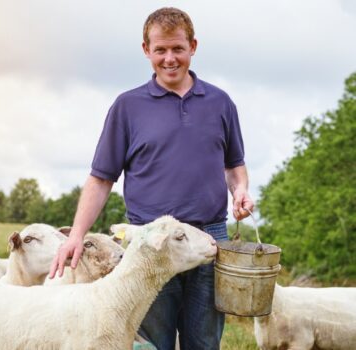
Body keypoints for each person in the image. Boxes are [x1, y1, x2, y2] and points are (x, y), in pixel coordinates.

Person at [48, 7, 254, 350]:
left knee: (204, 342)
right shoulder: (127, 107)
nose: (169, 59)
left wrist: (241, 190)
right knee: (152, 343)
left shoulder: (220, 103)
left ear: (193, 46)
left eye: (177, 49)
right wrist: (77, 235)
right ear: (146, 50)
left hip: (208, 237)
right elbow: (101, 179)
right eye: (160, 50)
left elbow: (234, 165)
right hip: (150, 243)